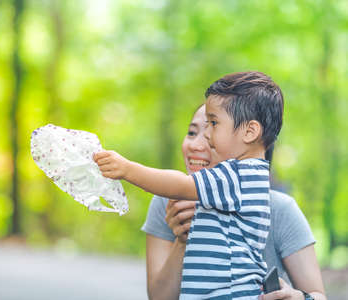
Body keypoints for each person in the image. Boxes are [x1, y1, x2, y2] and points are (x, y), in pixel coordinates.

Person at [94, 71, 283, 299]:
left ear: (250, 131)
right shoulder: (248, 175)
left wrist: (127, 169)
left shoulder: (236, 176)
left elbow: (180, 184)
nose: (207, 134)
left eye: (213, 123)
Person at [142, 104, 326, 300]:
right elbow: (159, 297)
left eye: (211, 133)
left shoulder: (279, 208)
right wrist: (182, 241)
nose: (195, 145)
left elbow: (318, 295)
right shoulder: (168, 201)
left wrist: (298, 297)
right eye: (192, 132)